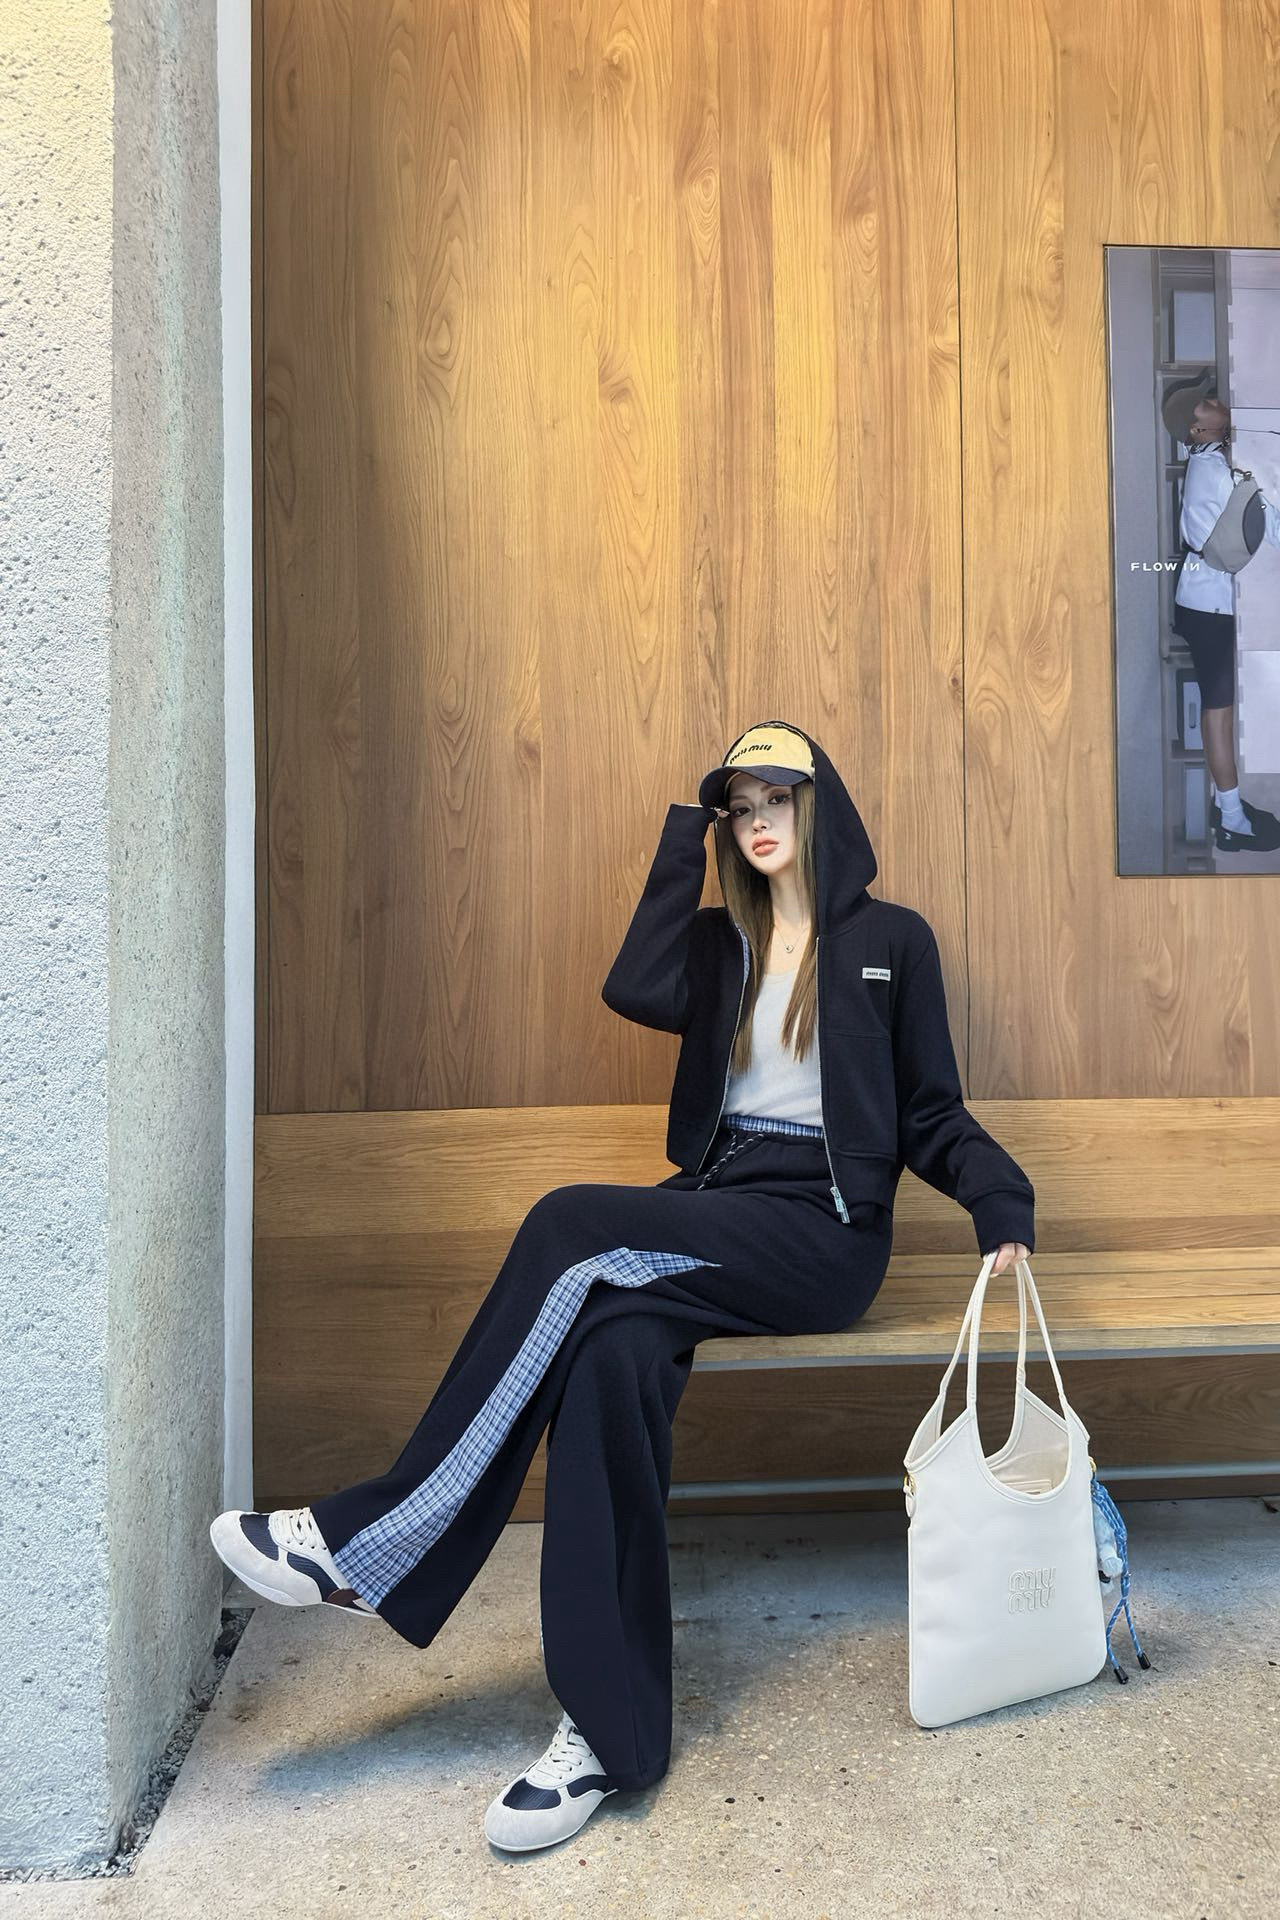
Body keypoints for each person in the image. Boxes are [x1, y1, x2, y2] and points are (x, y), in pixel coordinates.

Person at [209, 719, 1034, 1854]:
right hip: (718, 1199)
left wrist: (1000, 1202)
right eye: (738, 807)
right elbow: (631, 985)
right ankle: (610, 1733)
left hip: (822, 1234)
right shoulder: (717, 943)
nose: (756, 822)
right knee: (608, 1357)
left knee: (568, 1221)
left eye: (776, 800)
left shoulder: (892, 940)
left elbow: (932, 1109)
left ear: (820, 806)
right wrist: (682, 841)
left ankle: (371, 1538)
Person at [1163, 381, 1280, 853]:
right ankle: (1231, 821)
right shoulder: (1216, 472)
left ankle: (1228, 808)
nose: (1214, 400)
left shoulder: (1211, 462)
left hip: (1203, 603)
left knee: (1221, 707)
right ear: (1198, 429)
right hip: (1207, 607)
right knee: (1219, 709)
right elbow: (1268, 527)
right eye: (1204, 403)